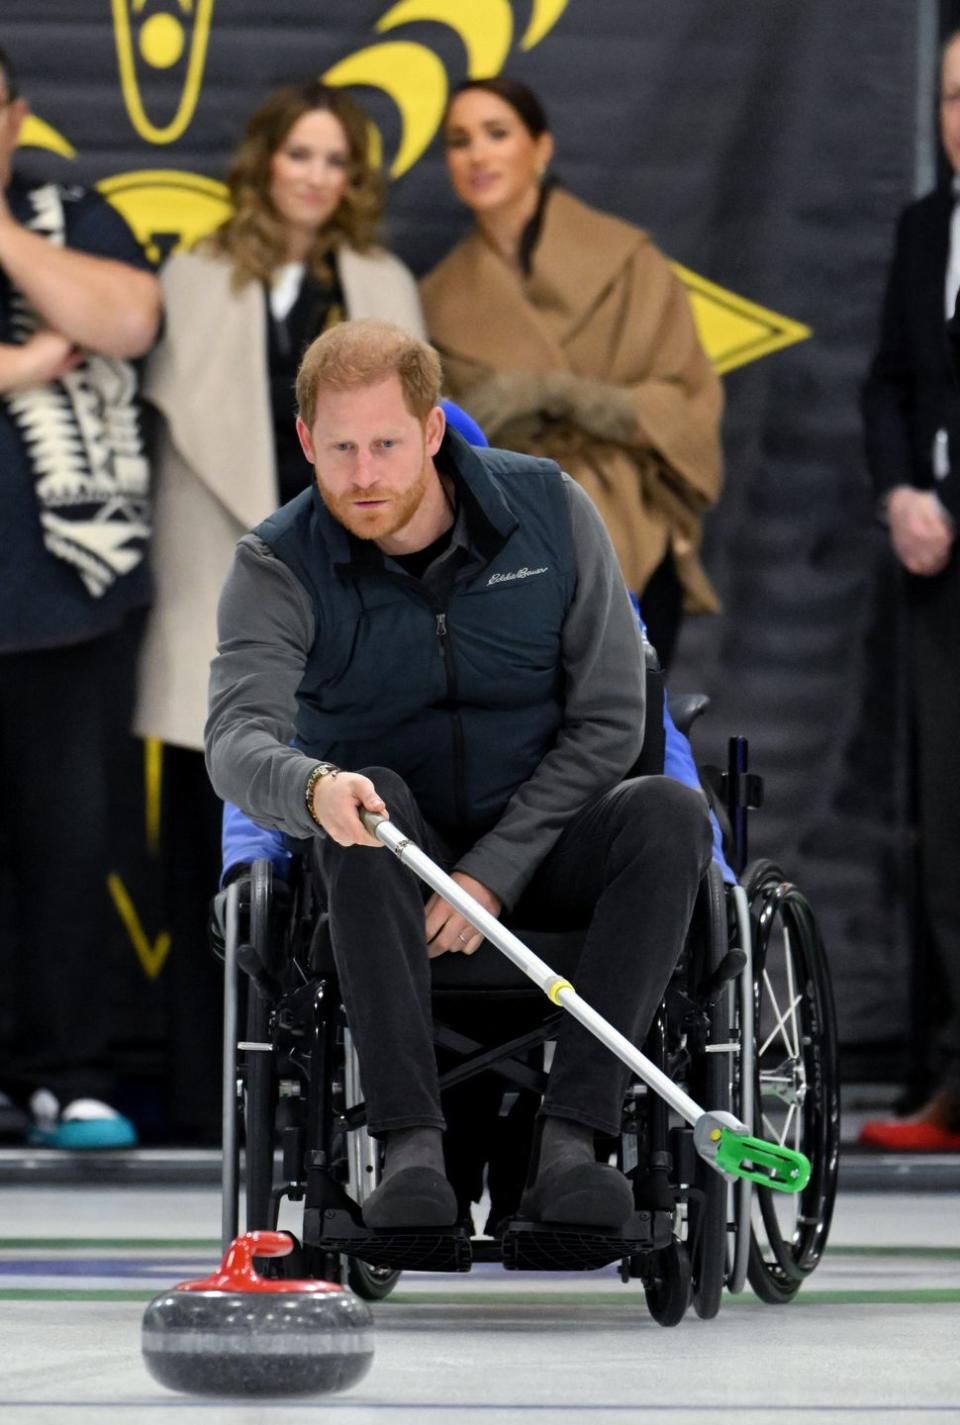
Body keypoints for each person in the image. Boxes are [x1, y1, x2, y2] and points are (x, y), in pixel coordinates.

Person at [205, 319, 713, 1230]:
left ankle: (573, 1139)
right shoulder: (275, 564)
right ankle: (411, 1149)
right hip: (392, 858)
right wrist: (312, 787)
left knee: (670, 812)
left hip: (546, 847)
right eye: (341, 447)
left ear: (434, 431)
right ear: (305, 441)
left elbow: (611, 720)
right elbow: (235, 738)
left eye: (388, 444)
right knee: (361, 801)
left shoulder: (552, 512)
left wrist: (493, 873)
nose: (364, 475)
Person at [134, 80, 425, 1140]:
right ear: (263, 163)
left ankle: (332, 1095)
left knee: (348, 832)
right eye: (298, 154)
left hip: (353, 585)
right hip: (220, 571)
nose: (314, 176)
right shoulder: (200, 270)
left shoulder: (383, 278)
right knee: (213, 849)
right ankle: (205, 1098)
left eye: (334, 159)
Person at [420, 77, 724, 669]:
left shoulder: (629, 261)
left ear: (541, 148)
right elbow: (440, 445)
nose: (477, 154)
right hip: (508, 557)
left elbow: (683, 410)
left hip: (633, 539)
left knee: (635, 741)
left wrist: (556, 395)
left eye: (497, 133)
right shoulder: (435, 300)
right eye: (459, 141)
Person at [0, 43, 161, 1146]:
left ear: (15, 118)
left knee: (70, 842)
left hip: (67, 591)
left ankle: (73, 1071)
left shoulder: (66, 207)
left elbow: (129, 320)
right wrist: (21, 364)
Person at [859, 31, 960, 1151]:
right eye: (949, 95)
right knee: (948, 822)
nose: (959, 113)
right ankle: (954, 1082)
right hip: (934, 568)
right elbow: (888, 379)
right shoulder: (925, 227)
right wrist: (899, 493)